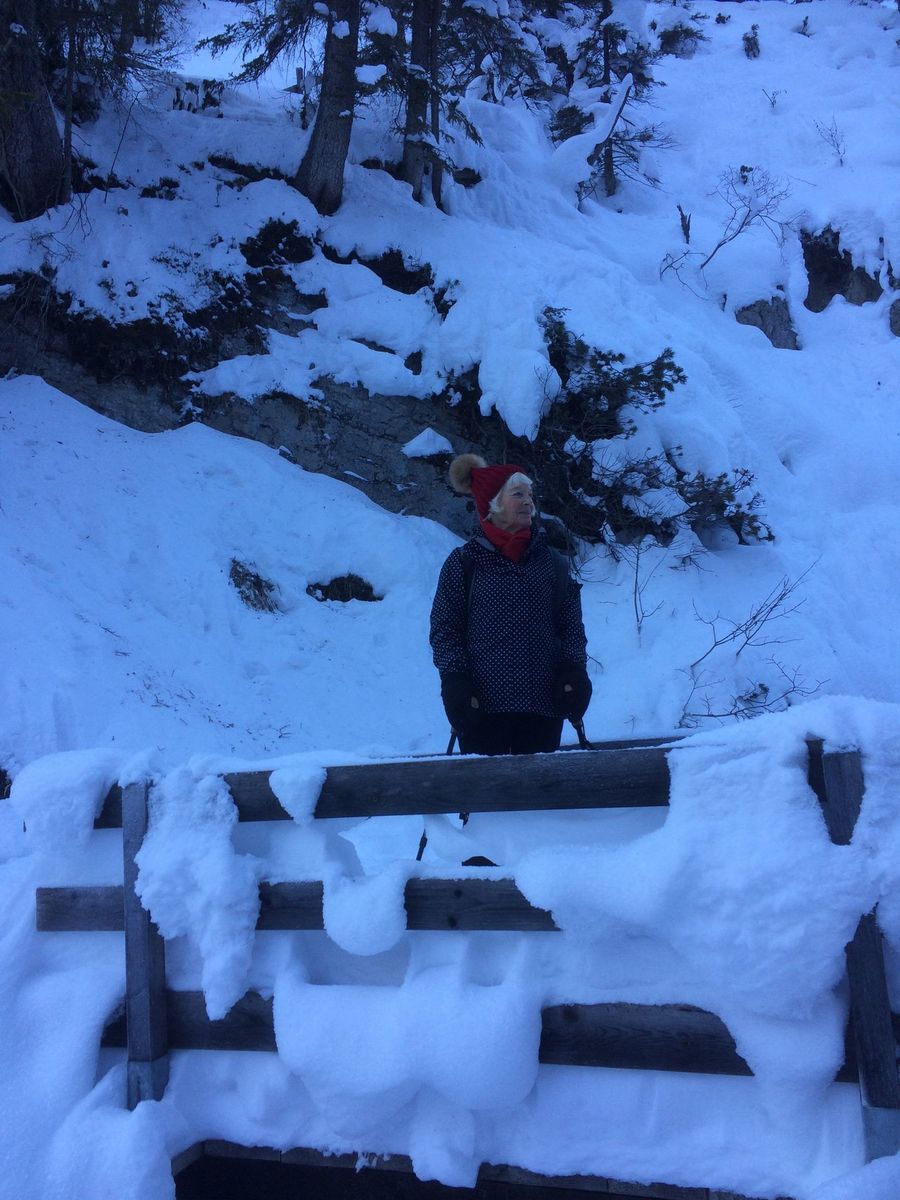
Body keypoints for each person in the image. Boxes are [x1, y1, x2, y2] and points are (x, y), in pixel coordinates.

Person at [429, 453, 592, 756]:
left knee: (539, 787)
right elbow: (445, 630)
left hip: (544, 708)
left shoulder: (553, 564)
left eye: (530, 494)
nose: (529, 501)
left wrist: (574, 671)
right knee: (486, 786)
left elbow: (570, 627)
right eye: (518, 494)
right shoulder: (463, 564)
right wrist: (455, 680)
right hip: (481, 709)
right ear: (492, 505)